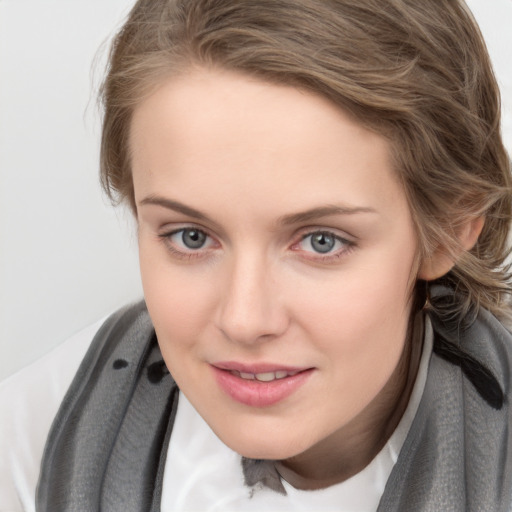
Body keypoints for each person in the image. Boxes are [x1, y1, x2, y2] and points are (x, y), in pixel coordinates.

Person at [1, 0, 512, 510]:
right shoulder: (30, 449)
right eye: (191, 237)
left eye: (321, 242)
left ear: (448, 229)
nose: (245, 320)